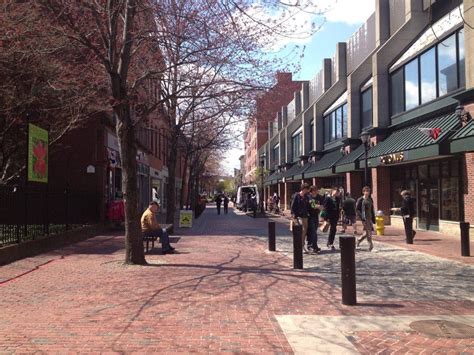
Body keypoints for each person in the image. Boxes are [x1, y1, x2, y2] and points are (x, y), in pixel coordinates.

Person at [291, 183, 310, 253]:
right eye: (306, 189)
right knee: (300, 231)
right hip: (298, 216)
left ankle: (302, 245)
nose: (307, 191)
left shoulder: (307, 197)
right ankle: (298, 245)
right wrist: (294, 216)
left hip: (305, 216)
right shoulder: (297, 196)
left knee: (304, 231)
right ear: (303, 189)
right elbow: (293, 206)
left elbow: (309, 206)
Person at [356, 186, 376, 251]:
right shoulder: (360, 199)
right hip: (364, 218)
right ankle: (371, 246)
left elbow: (372, 209)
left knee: (367, 232)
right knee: (369, 231)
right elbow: (357, 209)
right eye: (366, 191)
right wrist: (361, 217)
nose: (367, 192)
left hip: (369, 217)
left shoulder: (370, 199)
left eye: (368, 191)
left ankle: (359, 240)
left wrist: (373, 218)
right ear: (363, 192)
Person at [307, 185, 324, 253]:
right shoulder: (309, 197)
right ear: (311, 191)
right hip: (309, 216)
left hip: (316, 216)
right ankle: (310, 245)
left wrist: (318, 207)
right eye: (314, 190)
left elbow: (322, 206)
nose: (316, 191)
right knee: (312, 231)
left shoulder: (319, 197)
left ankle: (314, 245)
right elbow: (312, 206)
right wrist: (317, 206)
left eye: (316, 190)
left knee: (315, 231)